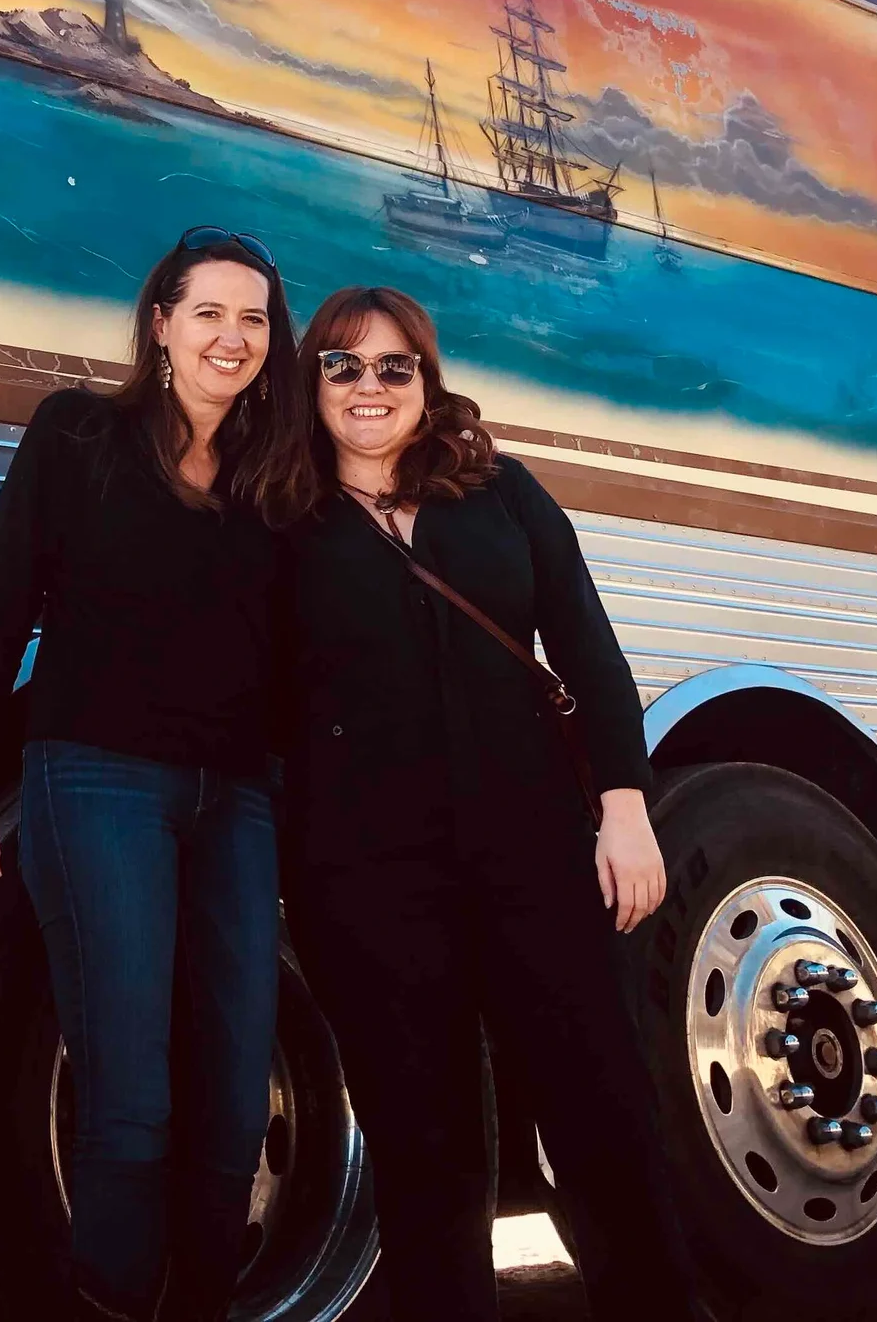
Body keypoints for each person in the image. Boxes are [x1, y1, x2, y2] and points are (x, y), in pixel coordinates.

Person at [277, 284, 704, 1321]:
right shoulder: (277, 517)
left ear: (427, 382)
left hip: (537, 856)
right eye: (342, 366)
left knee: (604, 1116)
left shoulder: (501, 492)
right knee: (424, 1150)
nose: (368, 387)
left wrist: (624, 804)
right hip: (366, 878)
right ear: (310, 384)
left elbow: (587, 647)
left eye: (394, 367)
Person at [0, 226, 310, 1322]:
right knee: (129, 1095)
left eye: (256, 319)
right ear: (161, 323)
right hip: (99, 783)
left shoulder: (282, 482)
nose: (234, 338)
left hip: (236, 801)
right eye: (211, 313)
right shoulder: (77, 434)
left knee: (233, 1099)